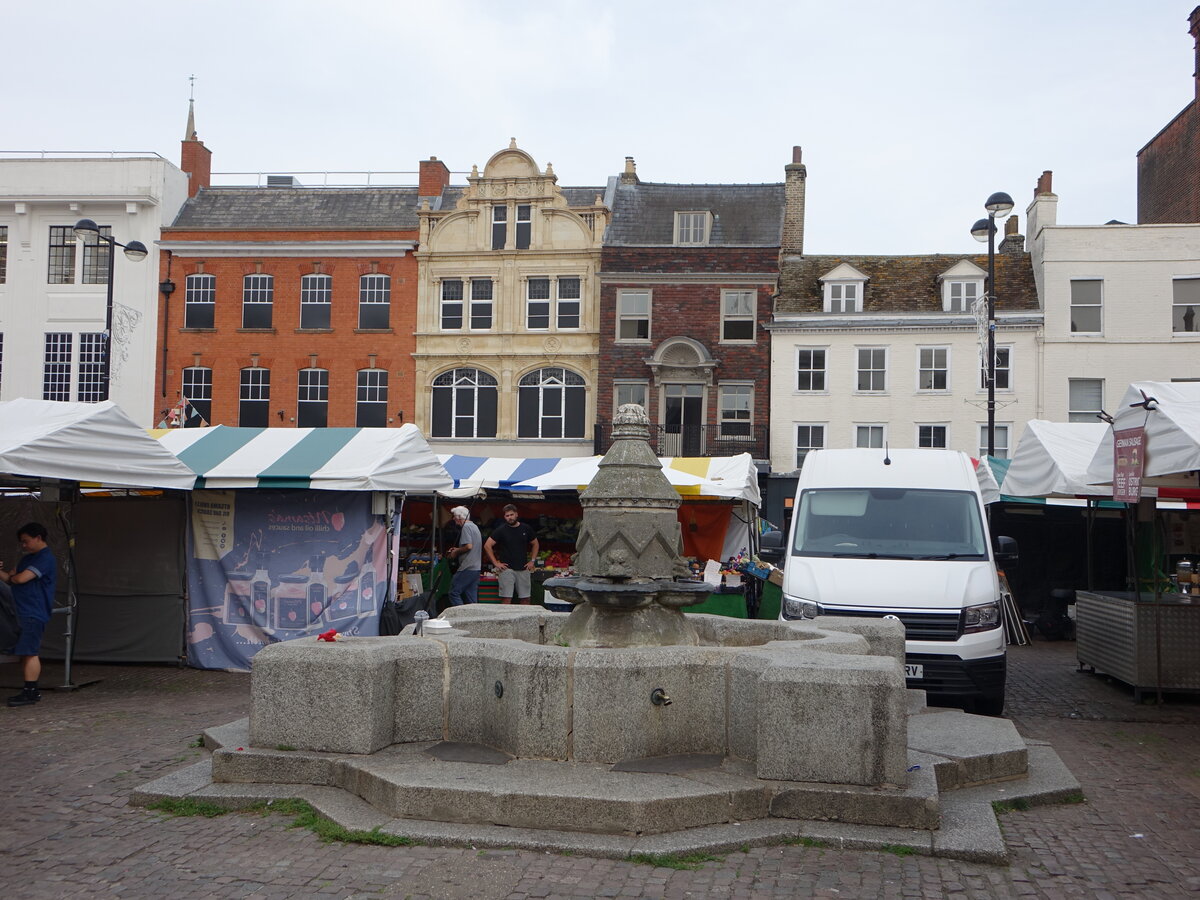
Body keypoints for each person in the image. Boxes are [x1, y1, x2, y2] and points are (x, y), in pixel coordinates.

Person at [1, 522, 58, 708]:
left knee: (30, 652)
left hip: (33, 610)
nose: (23, 545)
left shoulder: (45, 558)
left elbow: (19, 578)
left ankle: (31, 691)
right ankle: (29, 690)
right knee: (25, 651)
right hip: (21, 610)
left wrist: (15, 577)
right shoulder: (29, 558)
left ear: (38, 538)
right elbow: (11, 578)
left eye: (25, 541)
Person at [484, 504, 539, 605]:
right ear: (504, 517)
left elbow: (535, 544)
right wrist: (496, 563)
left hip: (523, 568)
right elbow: (487, 545)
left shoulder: (526, 528)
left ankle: (525, 620)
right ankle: (504, 620)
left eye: (511, 514)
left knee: (526, 599)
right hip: (506, 569)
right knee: (506, 599)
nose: (510, 517)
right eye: (507, 516)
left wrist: (532, 561)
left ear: (516, 514)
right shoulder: (501, 530)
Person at [446, 506, 481, 606]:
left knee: (454, 593)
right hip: (476, 568)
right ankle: (474, 619)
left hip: (467, 567)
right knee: (471, 599)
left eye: (454, 516)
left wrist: (456, 552)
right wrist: (457, 549)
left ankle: (460, 616)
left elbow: (469, 546)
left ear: (459, 517)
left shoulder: (466, 527)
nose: (453, 519)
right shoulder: (474, 526)